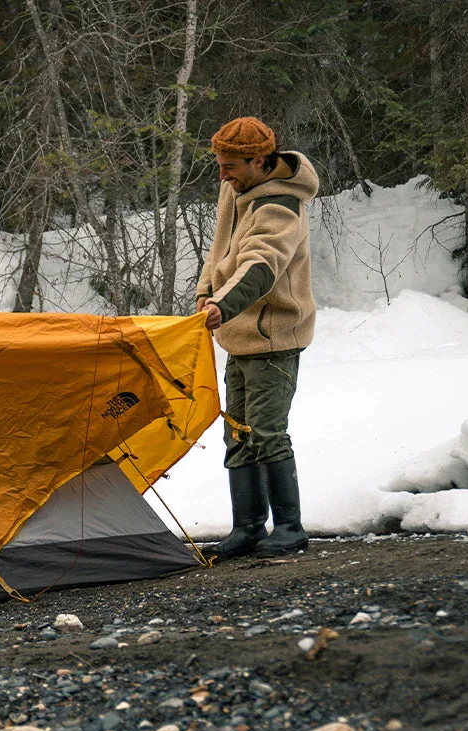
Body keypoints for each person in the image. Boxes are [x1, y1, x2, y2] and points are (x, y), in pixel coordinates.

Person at [193, 116, 320, 559]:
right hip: (239, 337)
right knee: (238, 436)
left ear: (260, 161)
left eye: (229, 166)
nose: (221, 175)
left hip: (274, 339)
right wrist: (206, 292)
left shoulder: (282, 206)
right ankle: (247, 528)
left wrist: (222, 305)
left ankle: (290, 528)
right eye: (219, 165)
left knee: (267, 433)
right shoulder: (235, 189)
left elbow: (260, 266)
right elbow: (219, 252)